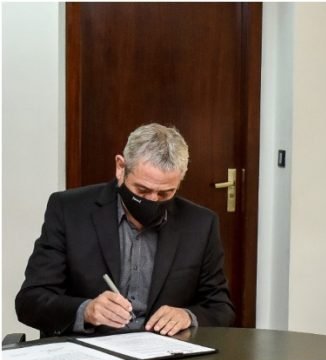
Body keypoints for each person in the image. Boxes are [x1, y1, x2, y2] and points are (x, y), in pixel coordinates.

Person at [16, 123, 235, 337]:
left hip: (163, 352)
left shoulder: (200, 224)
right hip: (89, 349)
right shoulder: (69, 210)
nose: (152, 200)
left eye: (165, 193)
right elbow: (30, 300)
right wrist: (86, 310)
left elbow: (220, 307)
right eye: (142, 190)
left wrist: (188, 316)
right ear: (121, 168)